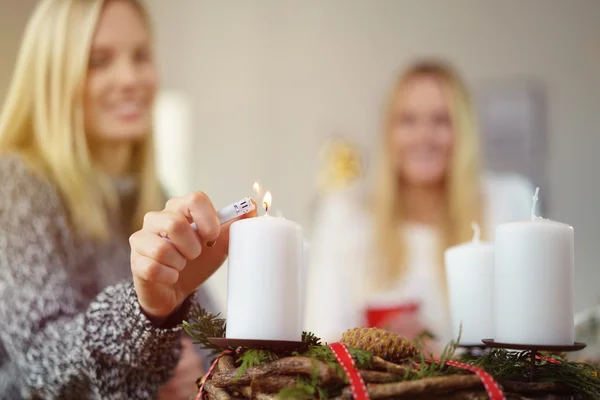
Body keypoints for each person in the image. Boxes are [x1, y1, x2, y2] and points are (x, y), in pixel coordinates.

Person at [0, 0, 255, 398]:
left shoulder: (152, 196)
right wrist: (147, 316)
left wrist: (200, 370)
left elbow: (209, 343)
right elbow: (39, 365)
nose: (131, 78)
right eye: (99, 61)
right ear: (53, 77)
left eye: (141, 56)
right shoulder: (15, 186)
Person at [304, 60, 534, 352]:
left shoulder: (505, 203)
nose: (424, 136)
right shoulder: (344, 212)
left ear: (464, 131)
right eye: (408, 120)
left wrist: (438, 351)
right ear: (388, 131)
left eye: (441, 120)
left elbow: (522, 343)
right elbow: (323, 336)